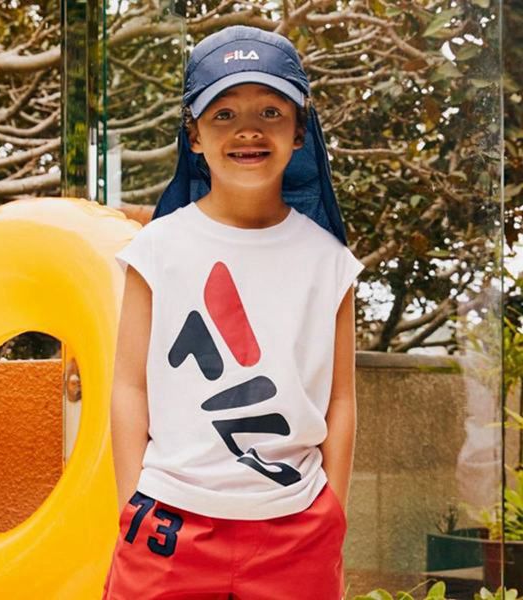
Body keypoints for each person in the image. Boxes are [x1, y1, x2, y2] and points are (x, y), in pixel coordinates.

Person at [103, 24, 365, 600]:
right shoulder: (158, 246)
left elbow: (341, 400)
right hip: (167, 523)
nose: (248, 129)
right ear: (193, 135)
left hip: (296, 528)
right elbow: (128, 385)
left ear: (300, 131)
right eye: (223, 114)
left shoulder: (330, 261)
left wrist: (333, 512)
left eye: (271, 111)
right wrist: (131, 500)